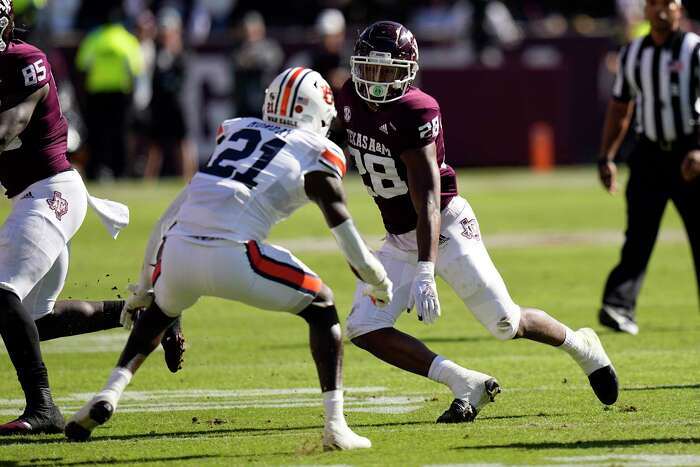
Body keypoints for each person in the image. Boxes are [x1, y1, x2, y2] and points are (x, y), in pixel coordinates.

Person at [65, 67, 391, 450]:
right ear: (318, 111)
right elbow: (342, 227)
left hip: (179, 252)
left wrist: (145, 283)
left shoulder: (237, 131)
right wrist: (377, 278)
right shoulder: (317, 150)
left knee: (158, 314)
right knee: (321, 305)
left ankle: (109, 392)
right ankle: (336, 427)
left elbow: (169, 216)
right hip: (236, 255)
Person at [333, 21, 619, 423]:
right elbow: (330, 143)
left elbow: (428, 198)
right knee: (364, 326)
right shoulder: (348, 98)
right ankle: (464, 382)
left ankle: (581, 345)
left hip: (443, 226)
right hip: (399, 236)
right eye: (370, 69)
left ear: (409, 72)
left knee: (506, 322)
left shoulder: (416, 110)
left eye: (388, 72)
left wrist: (426, 269)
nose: (376, 82)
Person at [0, 1, 183, 435]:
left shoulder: (26, 61)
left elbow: (7, 128)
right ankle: (152, 313)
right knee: (33, 321)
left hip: (51, 194)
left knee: (1, 293)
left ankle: (42, 408)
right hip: (31, 198)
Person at [597, 0, 700, 335]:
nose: (660, 10)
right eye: (653, 3)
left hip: (690, 155)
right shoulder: (632, 54)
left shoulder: (694, 49)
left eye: (667, 3)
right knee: (638, 236)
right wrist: (607, 155)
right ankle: (618, 306)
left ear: (679, 9)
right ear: (644, 10)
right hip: (649, 155)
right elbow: (620, 107)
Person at [75, 6, 143, 180]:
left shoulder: (94, 39)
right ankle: (121, 172)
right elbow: (136, 70)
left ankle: (94, 171)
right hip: (120, 94)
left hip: (97, 94)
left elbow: (82, 67)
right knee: (120, 135)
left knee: (96, 134)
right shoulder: (128, 40)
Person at [143, 8, 196, 180]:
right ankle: (149, 179)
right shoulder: (155, 51)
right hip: (159, 103)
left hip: (178, 103)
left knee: (182, 142)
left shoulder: (182, 54)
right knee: (155, 143)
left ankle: (187, 178)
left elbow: (183, 80)